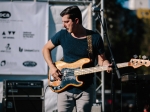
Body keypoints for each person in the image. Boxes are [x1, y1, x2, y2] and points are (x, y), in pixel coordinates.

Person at [42, 5, 112, 112]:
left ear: (76, 20)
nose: (63, 25)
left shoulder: (94, 38)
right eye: (63, 22)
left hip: (85, 89)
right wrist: (52, 67)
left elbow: (102, 60)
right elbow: (46, 49)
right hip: (64, 87)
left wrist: (106, 65)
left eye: (66, 22)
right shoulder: (62, 35)